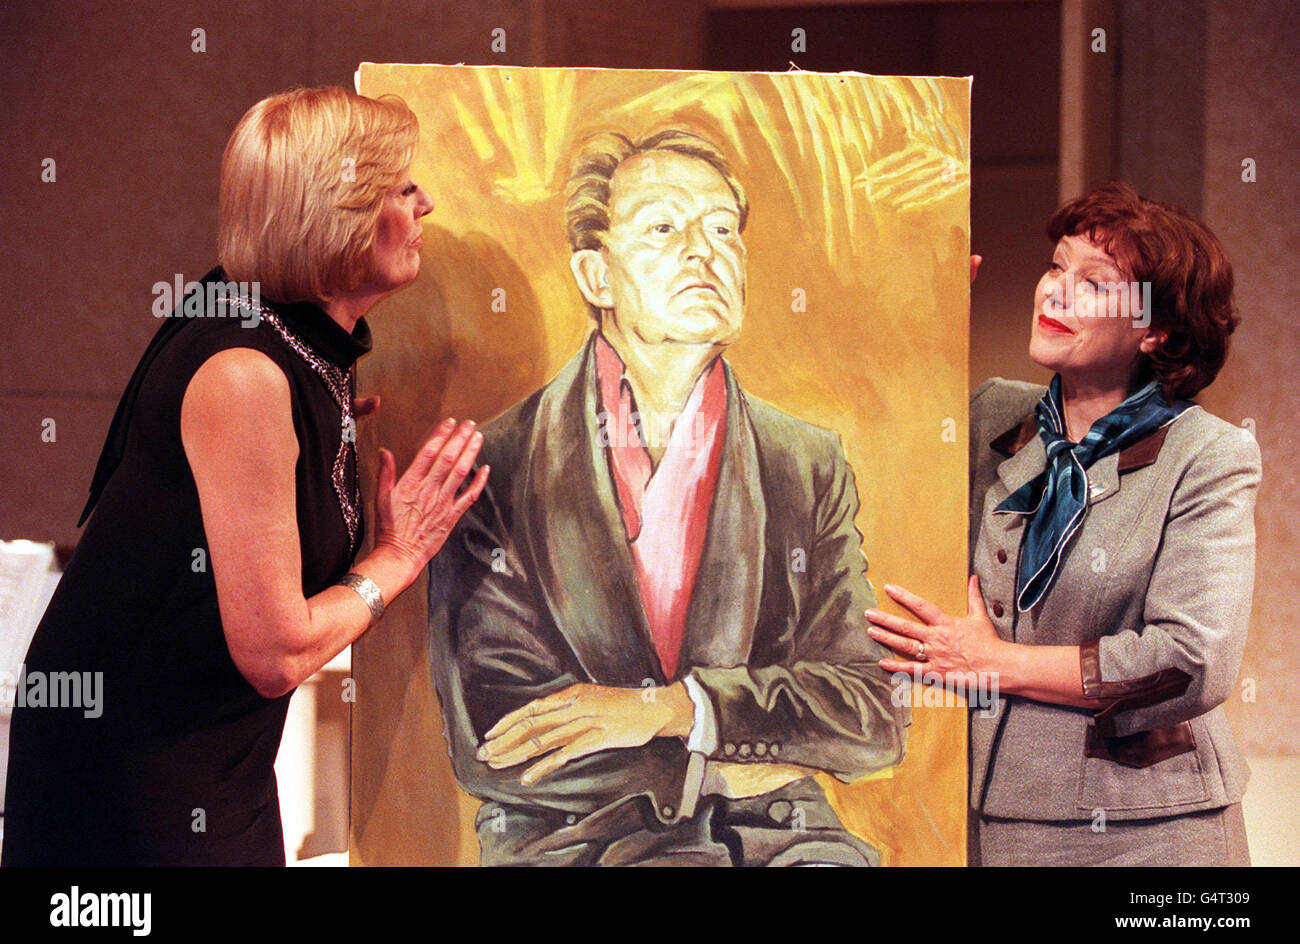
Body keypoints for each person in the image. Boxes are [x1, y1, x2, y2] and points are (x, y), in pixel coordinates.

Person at [1, 87, 488, 866]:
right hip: (131, 780)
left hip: (206, 763)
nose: (426, 203)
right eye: (402, 188)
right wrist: (400, 555)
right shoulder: (244, 374)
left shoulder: (274, 329)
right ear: (340, 212)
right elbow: (276, 655)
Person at [426, 129, 907, 866]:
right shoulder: (503, 462)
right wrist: (738, 751)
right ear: (596, 275)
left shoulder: (802, 461)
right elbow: (496, 733)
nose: (702, 250)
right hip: (572, 843)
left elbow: (869, 715)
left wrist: (670, 708)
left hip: (781, 839)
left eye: (721, 228)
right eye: (662, 226)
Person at [867, 182, 1257, 866]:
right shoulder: (991, 415)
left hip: (1148, 835)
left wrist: (997, 665)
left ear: (1156, 329)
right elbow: (869, 472)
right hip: (980, 821)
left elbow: (1190, 662)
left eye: (1094, 282)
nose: (1055, 292)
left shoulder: (1210, 455)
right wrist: (917, 327)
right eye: (1056, 267)